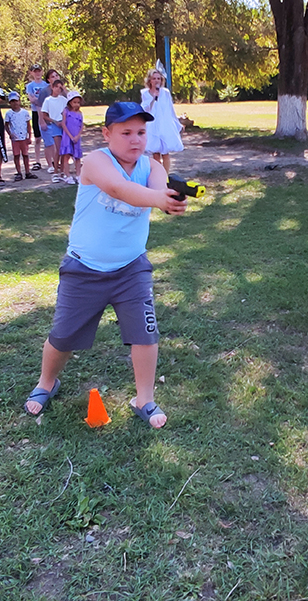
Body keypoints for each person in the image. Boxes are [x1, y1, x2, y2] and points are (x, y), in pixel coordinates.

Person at [23, 102, 189, 428]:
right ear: (106, 133)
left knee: (145, 334)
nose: (135, 139)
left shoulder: (153, 167)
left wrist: (170, 201)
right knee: (64, 336)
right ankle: (46, 383)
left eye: (141, 132)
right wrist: (158, 200)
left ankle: (144, 399)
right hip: (83, 269)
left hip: (131, 269)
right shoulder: (95, 161)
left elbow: (157, 191)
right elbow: (117, 188)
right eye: (126, 132)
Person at [140, 66, 183, 172]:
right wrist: (153, 98)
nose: (156, 81)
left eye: (158, 78)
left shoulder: (165, 93)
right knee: (155, 153)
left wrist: (177, 123)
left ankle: (166, 176)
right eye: (154, 78)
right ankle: (158, 174)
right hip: (153, 124)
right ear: (150, 80)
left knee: (165, 152)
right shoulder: (145, 93)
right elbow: (145, 108)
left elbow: (170, 109)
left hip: (164, 124)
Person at [41, 78, 69, 183]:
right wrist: (54, 121)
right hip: (55, 125)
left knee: (64, 149)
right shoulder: (48, 100)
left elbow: (70, 108)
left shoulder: (64, 100)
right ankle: (55, 172)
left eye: (60, 87)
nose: (58, 89)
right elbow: (44, 115)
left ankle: (62, 171)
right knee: (58, 148)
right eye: (56, 86)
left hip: (64, 125)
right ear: (52, 87)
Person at [3, 91, 36, 181]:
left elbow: (28, 124)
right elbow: (6, 124)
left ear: (19, 101)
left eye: (16, 101)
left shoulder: (24, 113)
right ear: (10, 103)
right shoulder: (9, 113)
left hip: (24, 137)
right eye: (12, 102)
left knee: (25, 154)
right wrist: (10, 134)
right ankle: (19, 172)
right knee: (16, 155)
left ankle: (27, 172)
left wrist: (29, 136)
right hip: (15, 138)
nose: (15, 103)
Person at [58, 90, 84, 185]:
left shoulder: (80, 113)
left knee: (77, 157)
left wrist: (77, 136)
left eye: (78, 102)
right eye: (74, 102)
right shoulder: (66, 111)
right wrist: (70, 136)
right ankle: (67, 175)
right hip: (67, 137)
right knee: (66, 156)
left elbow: (81, 126)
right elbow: (64, 124)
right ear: (70, 102)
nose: (76, 104)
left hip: (76, 137)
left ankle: (78, 174)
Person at [25, 64, 47, 170]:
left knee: (50, 137)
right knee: (37, 137)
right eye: (35, 71)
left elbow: (49, 98)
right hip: (35, 112)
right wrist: (40, 101)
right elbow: (32, 99)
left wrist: (40, 101)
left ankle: (52, 159)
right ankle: (37, 161)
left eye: (39, 71)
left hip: (47, 112)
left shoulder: (46, 85)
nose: (37, 73)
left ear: (42, 72)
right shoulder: (30, 86)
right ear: (31, 73)